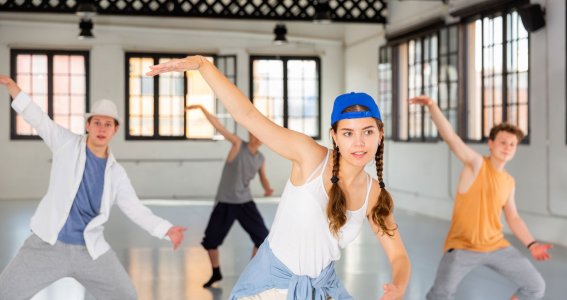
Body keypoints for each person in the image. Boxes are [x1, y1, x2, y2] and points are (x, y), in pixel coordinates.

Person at [147, 56, 410, 300]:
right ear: (334, 136)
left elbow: (398, 256)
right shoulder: (310, 157)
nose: (359, 143)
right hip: (269, 289)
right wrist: (203, 65)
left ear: (380, 133)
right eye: (348, 133)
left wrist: (398, 286)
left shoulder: (374, 193)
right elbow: (247, 115)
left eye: (367, 131)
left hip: (321, 290)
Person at [0, 75, 187, 300]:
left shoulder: (116, 173)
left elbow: (134, 208)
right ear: (88, 125)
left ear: (115, 130)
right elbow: (38, 118)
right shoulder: (65, 144)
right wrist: (12, 87)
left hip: (90, 251)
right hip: (47, 244)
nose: (102, 128)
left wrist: (165, 229)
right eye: (97, 122)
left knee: (126, 295)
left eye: (108, 124)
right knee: (5, 293)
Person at [409, 96, 551, 300]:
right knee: (440, 295)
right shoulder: (476, 164)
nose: (508, 147)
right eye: (503, 142)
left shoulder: (509, 181)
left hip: (496, 246)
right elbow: (452, 139)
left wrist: (532, 244)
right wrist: (432, 107)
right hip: (463, 247)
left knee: (535, 286)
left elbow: (513, 218)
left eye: (513, 144)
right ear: (491, 144)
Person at [186, 104, 273, 288]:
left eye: (261, 136)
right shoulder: (238, 145)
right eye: (254, 134)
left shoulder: (260, 158)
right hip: (226, 202)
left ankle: (252, 273)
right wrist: (202, 108)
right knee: (210, 241)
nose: (257, 138)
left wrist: (268, 188)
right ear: (249, 134)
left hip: (245, 203)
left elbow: (263, 178)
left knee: (263, 239)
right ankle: (216, 272)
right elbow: (219, 127)